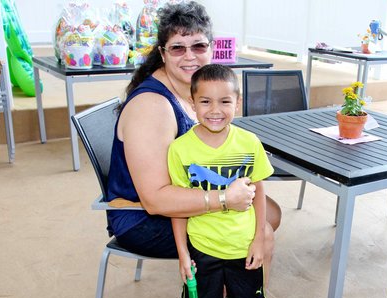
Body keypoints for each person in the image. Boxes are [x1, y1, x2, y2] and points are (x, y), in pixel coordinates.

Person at [106, 1, 280, 262]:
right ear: (163, 54)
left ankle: (224, 282)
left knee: (269, 210)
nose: (190, 56)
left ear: (211, 48)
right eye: (178, 48)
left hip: (181, 198)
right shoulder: (152, 107)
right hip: (141, 218)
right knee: (259, 228)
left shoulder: (194, 90)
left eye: (198, 46)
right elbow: (155, 200)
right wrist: (223, 199)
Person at [168, 64, 273, 298]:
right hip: (203, 248)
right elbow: (178, 207)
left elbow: (258, 191)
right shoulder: (179, 150)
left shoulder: (250, 142)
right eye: (205, 101)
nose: (215, 110)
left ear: (237, 103)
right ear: (192, 103)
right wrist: (182, 253)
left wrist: (259, 239)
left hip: (244, 245)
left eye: (225, 101)